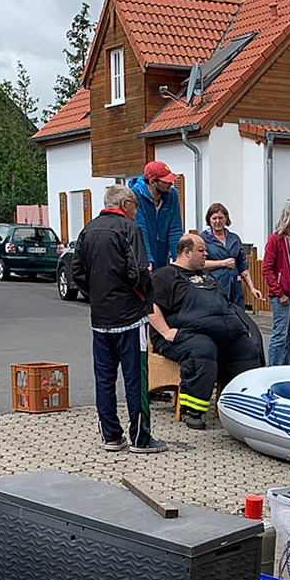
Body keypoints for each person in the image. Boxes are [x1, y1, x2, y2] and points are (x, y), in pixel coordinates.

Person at [71, 184, 164, 453]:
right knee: (136, 379)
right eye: (135, 204)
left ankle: (111, 436)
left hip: (100, 318)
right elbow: (138, 271)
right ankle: (140, 438)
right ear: (124, 205)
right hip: (130, 317)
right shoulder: (129, 230)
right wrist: (140, 292)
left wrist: (96, 293)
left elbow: (77, 272)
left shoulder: (87, 230)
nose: (137, 208)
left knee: (104, 379)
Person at [149, 231, 263, 429]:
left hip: (221, 334)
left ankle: (244, 407)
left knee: (248, 352)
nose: (206, 255)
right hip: (183, 336)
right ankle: (192, 410)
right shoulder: (165, 275)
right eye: (201, 250)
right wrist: (166, 331)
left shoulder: (206, 276)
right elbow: (150, 306)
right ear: (186, 252)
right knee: (202, 350)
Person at [261, 203, 290, 365]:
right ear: (289, 220)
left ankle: (286, 366)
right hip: (283, 294)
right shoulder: (275, 240)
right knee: (280, 334)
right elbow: (266, 268)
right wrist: (278, 292)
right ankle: (274, 367)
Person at [129, 160, 184, 270]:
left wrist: (179, 260)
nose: (171, 184)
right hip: (145, 258)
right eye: (166, 181)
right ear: (153, 182)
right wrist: (147, 260)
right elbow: (141, 230)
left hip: (163, 257)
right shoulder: (135, 196)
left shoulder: (172, 195)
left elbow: (175, 229)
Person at [200, 203, 250, 311]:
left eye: (221, 218)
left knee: (239, 319)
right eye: (214, 218)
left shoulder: (234, 239)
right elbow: (199, 263)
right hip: (213, 287)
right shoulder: (202, 239)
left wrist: (252, 287)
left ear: (226, 218)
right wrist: (222, 263)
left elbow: (242, 265)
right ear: (209, 220)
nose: (218, 221)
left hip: (235, 288)